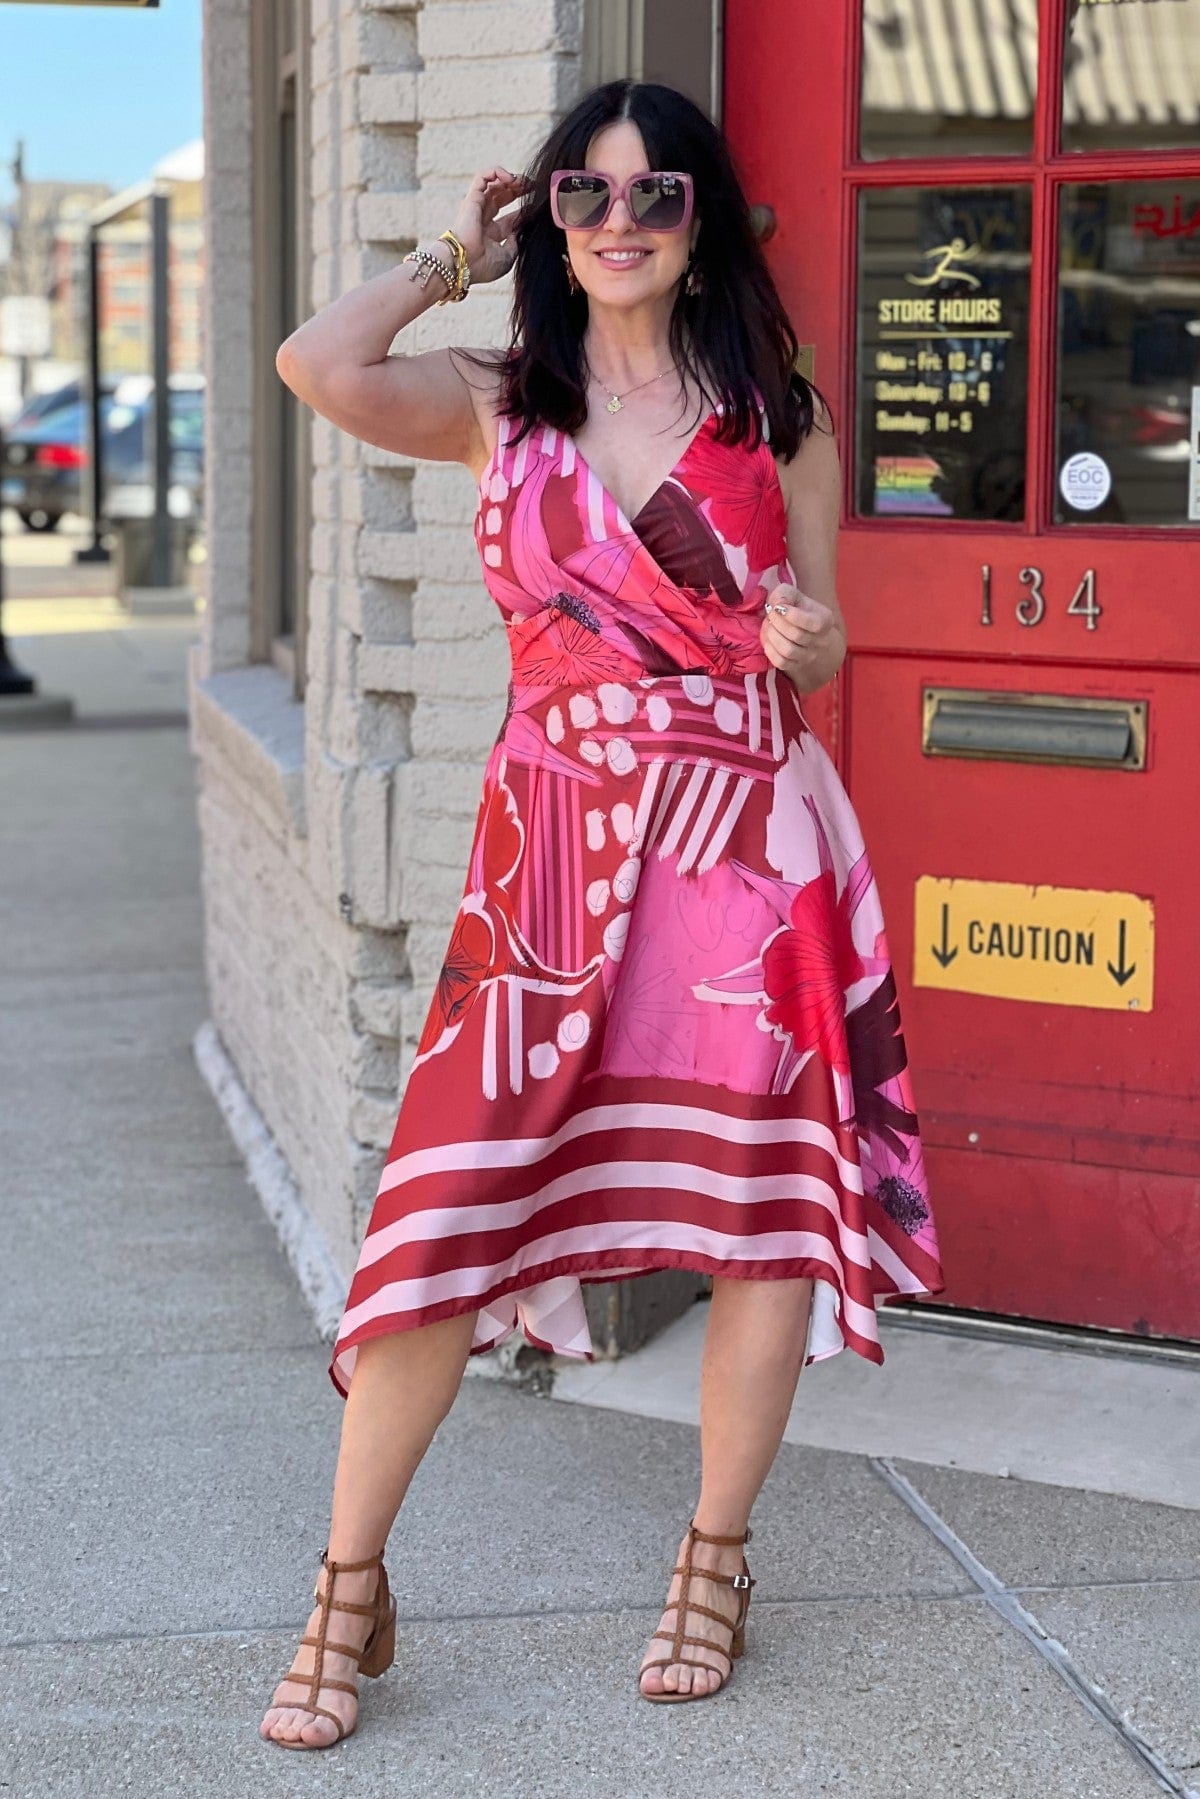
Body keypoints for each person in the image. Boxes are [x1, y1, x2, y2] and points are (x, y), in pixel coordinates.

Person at [263, 77, 944, 1749]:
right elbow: (316, 365)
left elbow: (826, 632)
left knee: (762, 1215)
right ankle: (347, 1583)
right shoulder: (500, 401)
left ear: (702, 221)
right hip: (552, 867)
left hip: (745, 853)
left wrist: (809, 644)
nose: (619, 222)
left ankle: (713, 1559)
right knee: (443, 1215)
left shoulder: (780, 418)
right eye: (586, 195)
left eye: (655, 195)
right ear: (552, 220)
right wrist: (455, 253)